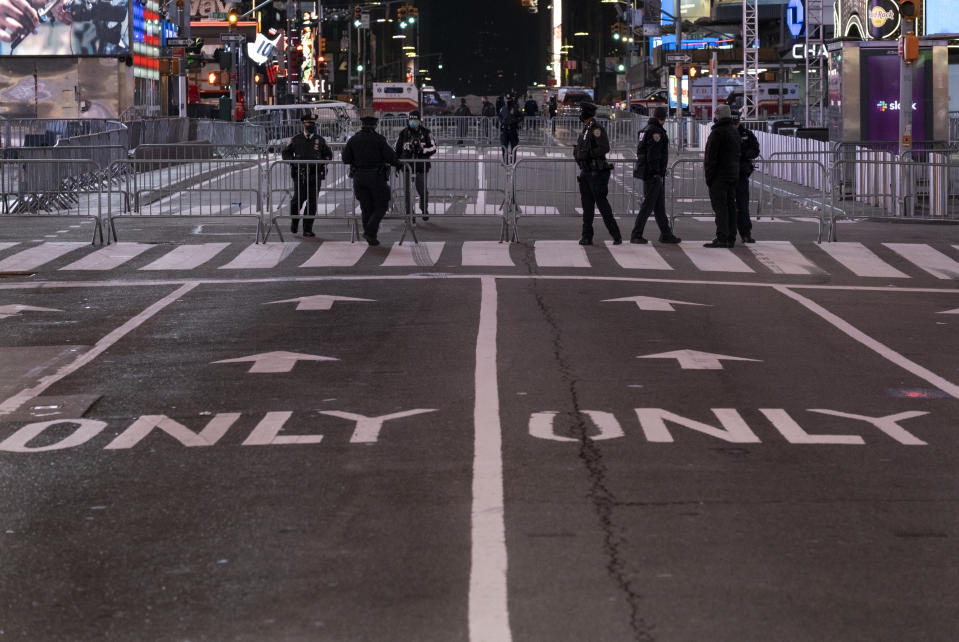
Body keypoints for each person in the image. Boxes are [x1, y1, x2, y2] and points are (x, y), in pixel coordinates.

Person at [342, 116, 402, 246]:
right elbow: (391, 156)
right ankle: (370, 232)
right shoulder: (379, 140)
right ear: (375, 126)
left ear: (362, 125)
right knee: (382, 205)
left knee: (366, 207)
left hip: (359, 177)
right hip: (376, 177)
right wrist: (399, 164)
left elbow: (345, 158)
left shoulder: (353, 140)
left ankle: (371, 237)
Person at [573, 102, 622, 246]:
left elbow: (604, 147)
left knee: (602, 206)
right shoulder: (587, 128)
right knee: (587, 208)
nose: (580, 114)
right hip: (586, 172)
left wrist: (588, 155)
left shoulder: (596, 129)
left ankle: (616, 235)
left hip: (596, 173)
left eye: (582, 111)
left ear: (587, 113)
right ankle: (586, 236)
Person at [630, 106, 681, 244]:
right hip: (653, 174)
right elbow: (653, 154)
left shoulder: (645, 129)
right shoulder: (655, 132)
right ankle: (636, 234)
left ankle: (666, 233)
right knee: (648, 205)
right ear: (663, 119)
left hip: (648, 173)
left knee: (659, 206)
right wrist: (656, 173)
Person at [281, 113, 333, 238]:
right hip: (300, 175)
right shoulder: (296, 139)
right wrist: (293, 163)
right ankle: (294, 221)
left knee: (312, 203)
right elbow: (285, 154)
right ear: (303, 125)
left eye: (313, 124)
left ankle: (307, 229)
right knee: (297, 201)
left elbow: (329, 155)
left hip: (315, 176)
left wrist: (323, 162)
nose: (311, 126)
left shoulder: (320, 140)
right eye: (308, 124)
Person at [703, 103, 741, 248]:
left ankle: (722, 237)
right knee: (731, 207)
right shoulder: (733, 132)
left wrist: (709, 177)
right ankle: (731, 236)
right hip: (732, 175)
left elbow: (711, 158)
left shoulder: (717, 133)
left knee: (720, 208)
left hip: (719, 177)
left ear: (718, 115)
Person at [394, 110, 437, 221]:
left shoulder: (426, 132)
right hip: (406, 167)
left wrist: (422, 150)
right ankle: (409, 215)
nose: (413, 121)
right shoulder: (403, 133)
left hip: (421, 167)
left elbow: (433, 148)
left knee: (422, 191)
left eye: (415, 119)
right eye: (411, 119)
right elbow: (397, 150)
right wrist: (397, 164)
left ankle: (424, 209)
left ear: (419, 120)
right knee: (407, 193)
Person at [732, 111, 760, 243]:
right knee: (727, 206)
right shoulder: (724, 133)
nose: (735, 125)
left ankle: (746, 233)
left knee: (743, 205)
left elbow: (755, 149)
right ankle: (726, 234)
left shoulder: (746, 134)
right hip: (728, 174)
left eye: (736, 123)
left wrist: (744, 154)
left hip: (742, 174)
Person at [499, 95, 524, 161]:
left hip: (513, 130)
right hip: (505, 131)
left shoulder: (516, 108)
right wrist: (501, 123)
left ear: (511, 99)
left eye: (509, 99)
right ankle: (505, 161)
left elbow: (521, 117)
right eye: (506, 99)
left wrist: (514, 121)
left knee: (514, 147)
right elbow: (500, 117)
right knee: (504, 147)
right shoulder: (503, 108)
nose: (507, 101)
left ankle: (512, 161)